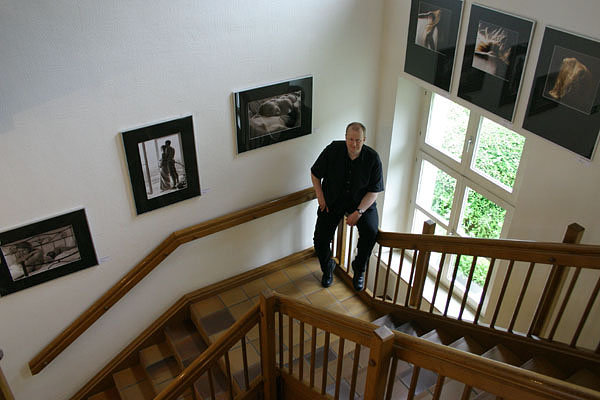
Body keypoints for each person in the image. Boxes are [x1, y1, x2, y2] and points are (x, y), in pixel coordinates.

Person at [311, 122, 384, 290]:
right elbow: (315, 174)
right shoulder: (333, 150)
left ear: (364, 140)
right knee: (320, 239)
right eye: (351, 139)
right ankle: (327, 267)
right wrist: (321, 198)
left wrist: (359, 212)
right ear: (345, 138)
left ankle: (359, 269)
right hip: (332, 200)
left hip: (362, 202)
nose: (354, 144)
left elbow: (374, 191)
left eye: (358, 140)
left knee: (370, 231)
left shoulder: (373, 158)